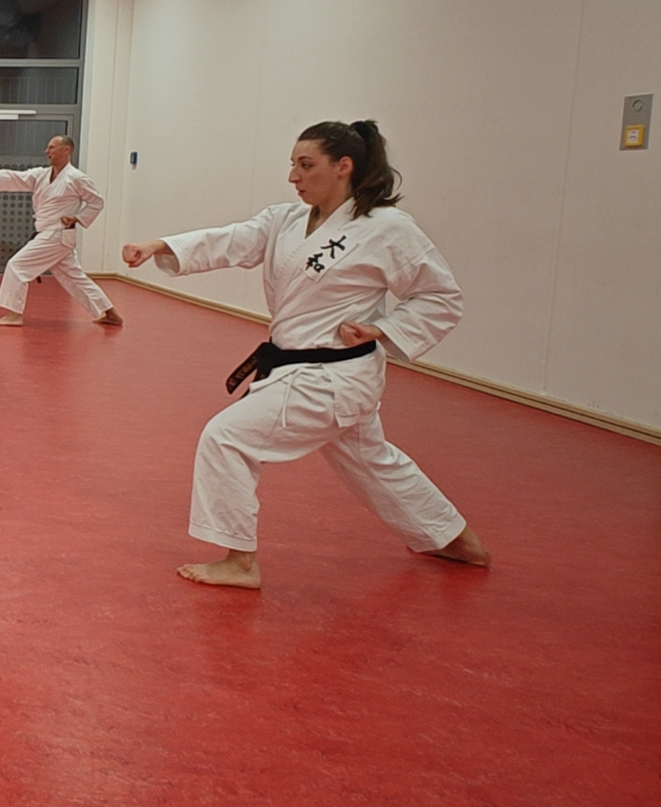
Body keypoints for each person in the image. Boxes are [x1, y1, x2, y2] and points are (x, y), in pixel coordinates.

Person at [121, 120, 489, 590]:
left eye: (306, 165)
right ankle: (456, 539)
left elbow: (440, 295)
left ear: (343, 167)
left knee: (226, 437)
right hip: (300, 369)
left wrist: (384, 328)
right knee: (372, 461)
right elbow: (233, 239)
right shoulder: (287, 220)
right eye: (292, 166)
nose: (294, 176)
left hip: (332, 376)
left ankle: (240, 560)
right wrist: (161, 245)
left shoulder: (386, 228)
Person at [0, 135, 123, 328]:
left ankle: (14, 314)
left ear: (66, 150)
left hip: (56, 233)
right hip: (52, 234)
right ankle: (110, 313)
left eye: (51, 147)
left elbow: (96, 201)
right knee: (73, 277)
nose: (46, 151)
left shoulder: (76, 178)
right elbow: (17, 177)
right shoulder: (41, 174)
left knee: (17, 265)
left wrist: (77, 217)